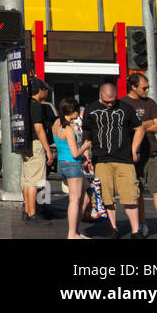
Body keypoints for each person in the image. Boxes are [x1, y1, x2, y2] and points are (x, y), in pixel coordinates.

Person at [81, 82, 145, 238]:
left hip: (124, 158)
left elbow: (140, 128)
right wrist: (86, 155)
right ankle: (113, 228)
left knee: (130, 195)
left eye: (112, 101)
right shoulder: (91, 109)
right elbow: (87, 134)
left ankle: (136, 231)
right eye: (106, 101)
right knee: (106, 196)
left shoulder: (125, 108)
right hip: (101, 159)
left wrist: (134, 149)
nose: (110, 104)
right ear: (100, 96)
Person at [126, 71, 157, 238]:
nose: (147, 90)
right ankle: (141, 224)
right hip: (134, 153)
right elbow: (126, 129)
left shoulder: (150, 103)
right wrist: (147, 124)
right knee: (137, 191)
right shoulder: (123, 104)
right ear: (133, 87)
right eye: (144, 88)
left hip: (153, 151)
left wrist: (140, 125)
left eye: (147, 88)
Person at [53, 98, 92, 239]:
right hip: (72, 165)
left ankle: (76, 230)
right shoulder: (68, 129)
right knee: (74, 200)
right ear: (73, 111)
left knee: (85, 195)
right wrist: (85, 147)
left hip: (62, 164)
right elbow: (75, 153)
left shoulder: (56, 123)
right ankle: (72, 234)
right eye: (77, 110)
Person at [22, 78, 54, 224]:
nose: (47, 92)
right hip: (35, 144)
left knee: (28, 181)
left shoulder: (25, 103)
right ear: (40, 90)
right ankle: (33, 213)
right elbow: (38, 128)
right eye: (46, 89)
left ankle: (28, 211)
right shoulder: (36, 105)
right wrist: (48, 150)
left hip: (26, 145)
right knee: (35, 181)